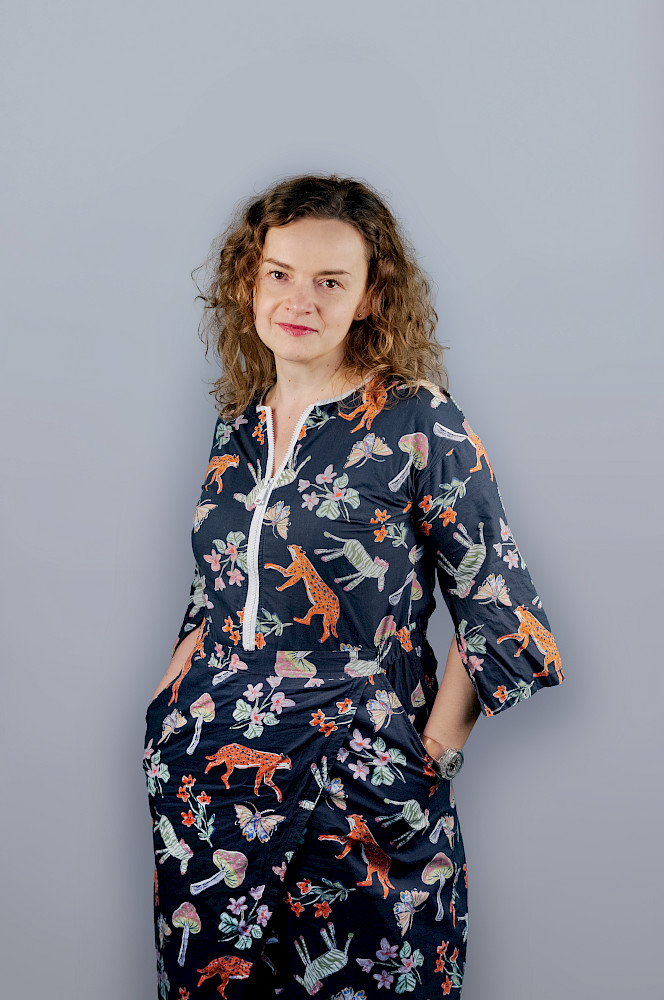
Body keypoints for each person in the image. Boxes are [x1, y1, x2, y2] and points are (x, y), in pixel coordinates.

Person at [142, 173, 565, 999]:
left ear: (371, 297)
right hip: (210, 785)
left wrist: (434, 753)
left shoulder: (417, 419)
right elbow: (220, 581)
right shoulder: (240, 426)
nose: (299, 300)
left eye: (330, 281)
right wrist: (174, 692)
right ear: (249, 283)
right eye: (279, 273)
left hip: (360, 778)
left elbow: (499, 604)